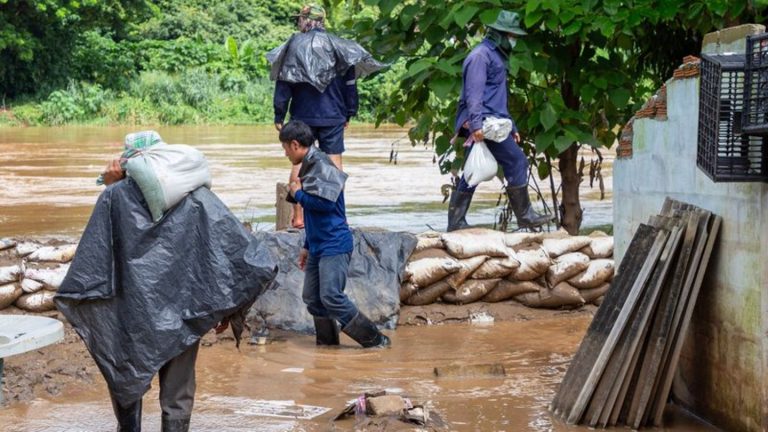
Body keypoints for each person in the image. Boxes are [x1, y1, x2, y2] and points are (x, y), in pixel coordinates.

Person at [55, 134, 277, 432]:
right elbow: (240, 254)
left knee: (126, 373)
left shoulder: (114, 196)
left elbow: (95, 263)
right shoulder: (197, 197)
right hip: (184, 312)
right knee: (178, 391)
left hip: (130, 315)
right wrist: (226, 309)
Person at [279, 120, 390, 348]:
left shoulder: (322, 165)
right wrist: (307, 245)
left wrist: (298, 194)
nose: (285, 154)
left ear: (295, 144)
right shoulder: (309, 165)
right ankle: (328, 346)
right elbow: (313, 213)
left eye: (285, 149)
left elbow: (325, 206)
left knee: (331, 296)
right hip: (318, 244)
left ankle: (376, 340)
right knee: (312, 297)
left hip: (334, 243)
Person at [448, 10, 553, 232]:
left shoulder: (494, 57)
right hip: (483, 123)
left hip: (493, 122)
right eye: (510, 35)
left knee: (471, 171)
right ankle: (525, 216)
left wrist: (511, 126)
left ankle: (456, 222)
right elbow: (473, 95)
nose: (513, 40)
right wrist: (476, 125)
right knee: (517, 162)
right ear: (499, 34)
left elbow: (497, 99)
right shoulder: (480, 56)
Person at [274, 3, 358, 229]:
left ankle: (299, 217)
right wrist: (350, 111)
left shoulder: (292, 46)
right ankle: (339, 217)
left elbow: (284, 82)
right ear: (322, 21)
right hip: (333, 114)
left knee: (298, 162)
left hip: (303, 116)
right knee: (334, 165)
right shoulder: (340, 46)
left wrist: (279, 113)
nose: (298, 23)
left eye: (299, 19)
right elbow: (350, 84)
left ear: (305, 21)